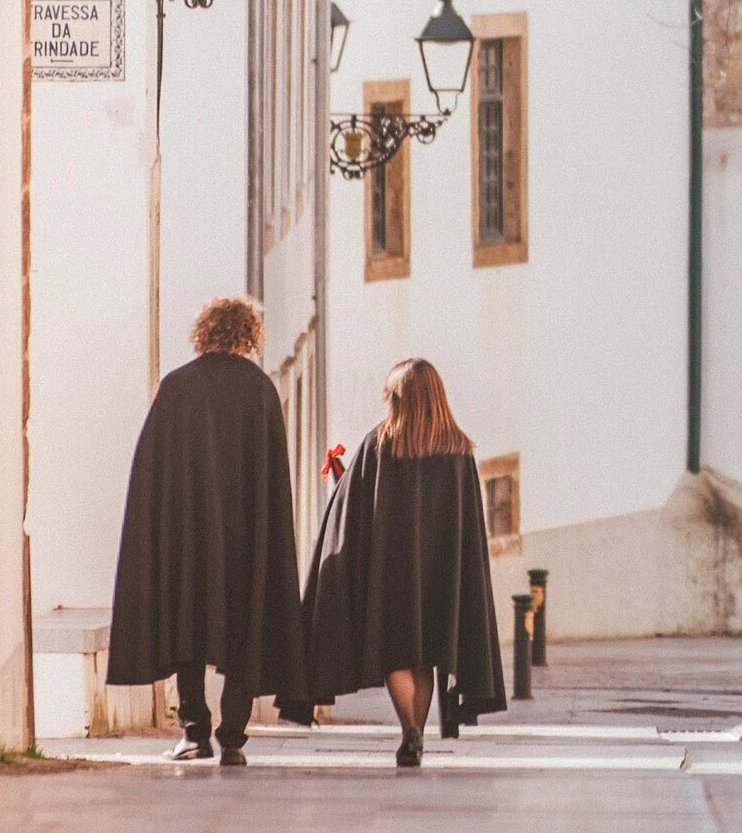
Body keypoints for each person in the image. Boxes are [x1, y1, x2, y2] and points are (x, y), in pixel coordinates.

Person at [104, 296, 306, 765]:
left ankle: (195, 730)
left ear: (204, 332)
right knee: (243, 630)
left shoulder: (177, 387)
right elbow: (273, 476)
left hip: (187, 533)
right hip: (245, 537)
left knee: (187, 628)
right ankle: (233, 737)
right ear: (249, 334)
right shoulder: (259, 389)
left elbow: (151, 469)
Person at [282, 358, 505, 767]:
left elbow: (352, 506)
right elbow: (467, 524)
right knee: (425, 660)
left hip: (392, 574)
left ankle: (410, 730)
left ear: (398, 398)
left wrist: (337, 476)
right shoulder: (458, 450)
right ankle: (415, 731)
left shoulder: (380, 444)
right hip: (441, 575)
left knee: (396, 656)